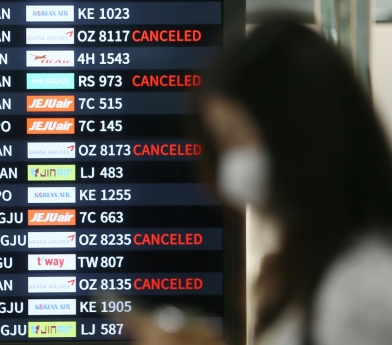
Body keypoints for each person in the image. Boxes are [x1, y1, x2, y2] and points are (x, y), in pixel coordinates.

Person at [126, 21, 392, 345]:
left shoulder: (361, 289)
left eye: (234, 135)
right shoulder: (312, 263)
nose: (229, 164)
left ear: (298, 131)